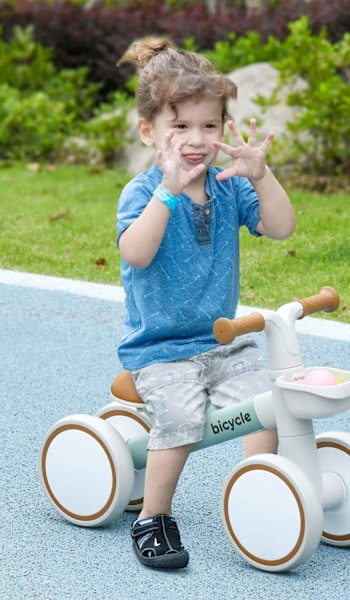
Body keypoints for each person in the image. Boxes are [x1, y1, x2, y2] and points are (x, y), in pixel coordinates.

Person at [115, 37, 296, 570]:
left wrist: (262, 175)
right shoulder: (143, 191)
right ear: (149, 131)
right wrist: (168, 192)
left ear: (223, 130)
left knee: (268, 404)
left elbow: (281, 227)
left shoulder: (228, 186)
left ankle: (257, 495)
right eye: (180, 127)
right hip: (160, 349)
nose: (196, 140)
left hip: (221, 341)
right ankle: (153, 516)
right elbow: (137, 253)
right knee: (181, 417)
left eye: (209, 126)